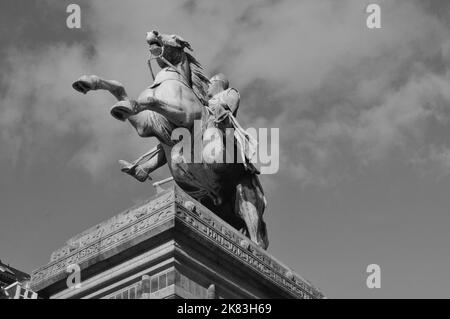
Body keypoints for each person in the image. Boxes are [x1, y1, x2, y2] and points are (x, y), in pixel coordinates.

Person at [119, 73, 254, 181]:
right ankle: (144, 169)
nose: (207, 87)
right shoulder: (207, 101)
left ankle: (215, 158)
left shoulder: (230, 92)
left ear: (218, 83)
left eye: (210, 84)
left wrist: (211, 108)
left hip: (219, 125)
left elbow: (229, 107)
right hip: (201, 126)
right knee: (169, 139)